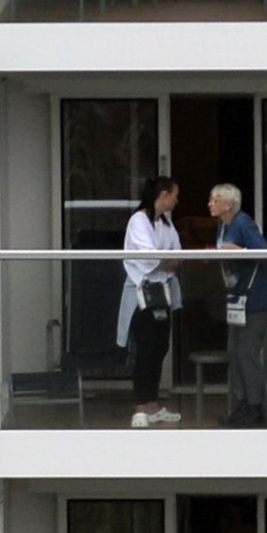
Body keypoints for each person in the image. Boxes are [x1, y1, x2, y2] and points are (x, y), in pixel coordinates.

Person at [208, 183, 267, 427]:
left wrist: (240, 249)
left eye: (214, 200)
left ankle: (256, 408)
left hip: (256, 298)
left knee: (247, 351)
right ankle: (243, 404)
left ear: (228, 205)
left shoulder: (243, 223)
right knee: (234, 350)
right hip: (238, 298)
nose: (210, 204)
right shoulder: (223, 226)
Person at [119, 177, 183, 428]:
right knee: (144, 348)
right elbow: (149, 257)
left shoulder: (165, 223)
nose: (177, 200)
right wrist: (165, 261)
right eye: (175, 195)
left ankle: (153, 404)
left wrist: (165, 261)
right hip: (141, 293)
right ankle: (140, 407)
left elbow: (177, 254)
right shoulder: (139, 220)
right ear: (164, 195)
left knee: (160, 347)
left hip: (163, 291)